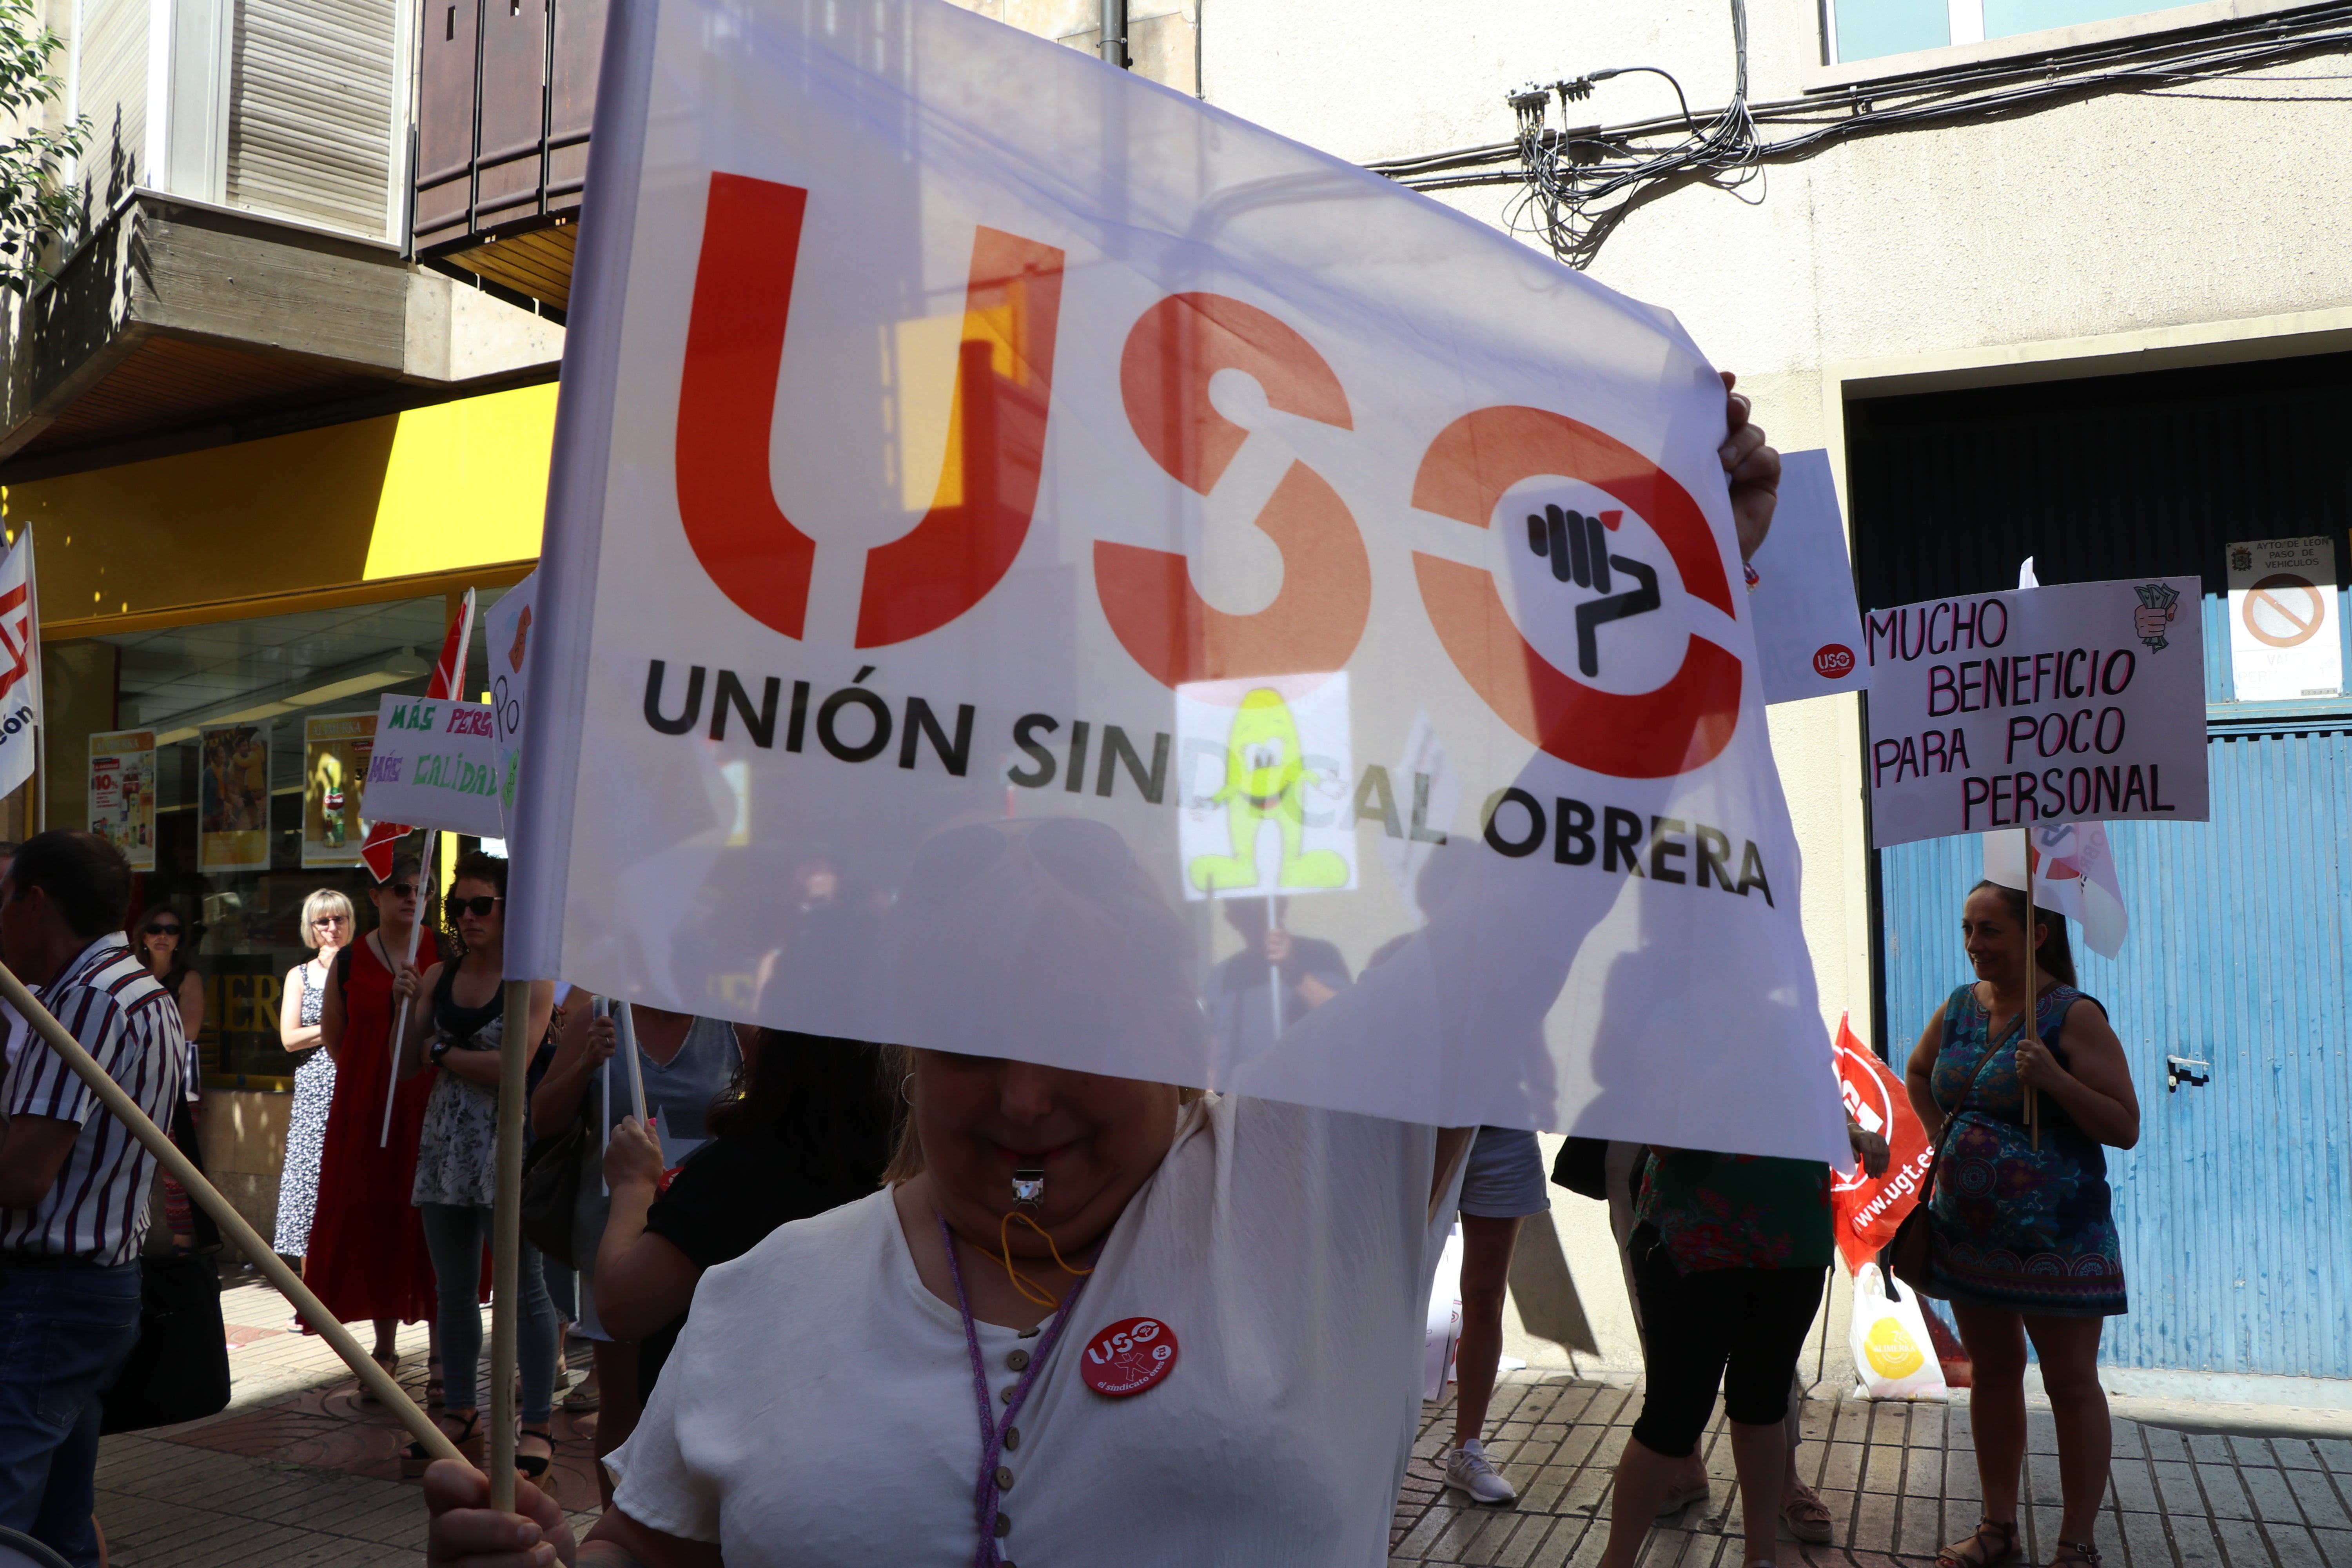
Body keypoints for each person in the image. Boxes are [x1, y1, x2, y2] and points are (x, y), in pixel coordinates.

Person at [423, 374, 1784, 1568]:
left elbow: (1522, 896)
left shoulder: (1304, 1190)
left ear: (1185, 1032)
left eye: (1080, 1031)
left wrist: (1678, 585)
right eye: (970, 1038)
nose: (1024, 1097)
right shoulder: (760, 1296)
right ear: (907, 1050)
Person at [1905, 882, 2138, 1568]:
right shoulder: (1956, 1009)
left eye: (1991, 931)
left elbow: (2124, 1125)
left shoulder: (2072, 1016)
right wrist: (1944, 1138)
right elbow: (1920, 1075)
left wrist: (2058, 1084)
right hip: (1970, 1237)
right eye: (1968, 929)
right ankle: (1998, 1529)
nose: (1975, 944)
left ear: (2036, 934)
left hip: (2059, 1242)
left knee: (2069, 1384)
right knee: (1995, 1374)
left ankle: (2076, 1545)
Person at [0, 831, 187, 1568]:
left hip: (53, 1293)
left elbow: (21, 1176)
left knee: (12, 1518)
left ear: (36, 903)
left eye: (3, 902)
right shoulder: (142, 990)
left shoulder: (84, 999)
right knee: (57, 1526)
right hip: (89, 1292)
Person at [1593, 1111, 1888, 1568]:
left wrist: (1849, 1131)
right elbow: (1662, 1138)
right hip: (1691, 1237)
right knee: (1674, 1415)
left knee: (1765, 1398)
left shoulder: (1793, 1035)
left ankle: (1761, 1559)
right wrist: (1747, 1100)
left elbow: (1815, 1095)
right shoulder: (1684, 1036)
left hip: (1792, 1234)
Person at [593, 1029, 894, 1406]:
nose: (744, 1034)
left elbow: (623, 1308)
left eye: (762, 1024)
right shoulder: (907, 1168)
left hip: (729, 1422)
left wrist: (633, 1185)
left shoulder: (740, 1174)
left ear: (788, 1051)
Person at [530, 997, 748, 1497]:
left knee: (711, 1396)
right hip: (615, 1238)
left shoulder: (735, 1021)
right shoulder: (599, 1014)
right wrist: (585, 1064)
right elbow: (544, 1120)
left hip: (708, 1240)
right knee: (625, 1403)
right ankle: (619, 1531)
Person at [397, 852, 560, 1479]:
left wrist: (440, 1048)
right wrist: (409, 1009)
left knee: (526, 1289)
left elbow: (510, 1068)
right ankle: (459, 1409)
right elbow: (405, 1064)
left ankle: (539, 1419)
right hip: (445, 1145)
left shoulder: (530, 978)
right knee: (454, 1289)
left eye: (481, 904)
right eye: (459, 906)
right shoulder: (440, 973)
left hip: (507, 1144)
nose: (468, 917)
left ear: (510, 907)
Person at [308, 855, 443, 1395]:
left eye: (423, 890)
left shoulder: (444, 953)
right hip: (366, 1107)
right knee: (377, 1219)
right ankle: (384, 1348)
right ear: (377, 897)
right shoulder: (347, 961)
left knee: (432, 1223)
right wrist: (371, 1079)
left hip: (429, 1105)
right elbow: (336, 1039)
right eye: (402, 890)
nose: (413, 898)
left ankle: (440, 1356)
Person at [273, 890, 353, 1266]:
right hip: (315, 1090)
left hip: (357, 1083)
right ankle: (312, 1297)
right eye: (324, 921)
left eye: (340, 919)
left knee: (353, 1184)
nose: (333, 928)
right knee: (310, 1186)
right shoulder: (300, 974)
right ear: (311, 927)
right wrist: (339, 1026)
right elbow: (290, 1039)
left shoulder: (364, 968)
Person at [134, 904, 212, 1252]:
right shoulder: (131, 974)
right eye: (155, 928)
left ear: (182, 939)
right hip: (128, 1083)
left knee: (177, 1172)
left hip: (175, 1084)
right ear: (143, 935)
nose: (162, 935)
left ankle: (185, 1246)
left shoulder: (188, 978)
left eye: (172, 929)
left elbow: (187, 1033)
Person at [1203, 896, 1350, 1074]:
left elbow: (1346, 1018)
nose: (1257, 915)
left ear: (1282, 905)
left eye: (1264, 906)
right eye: (1246, 909)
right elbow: (1215, 1051)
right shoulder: (1222, 976)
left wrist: (1294, 970)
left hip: (1308, 1089)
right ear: (1232, 919)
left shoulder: (1320, 956)